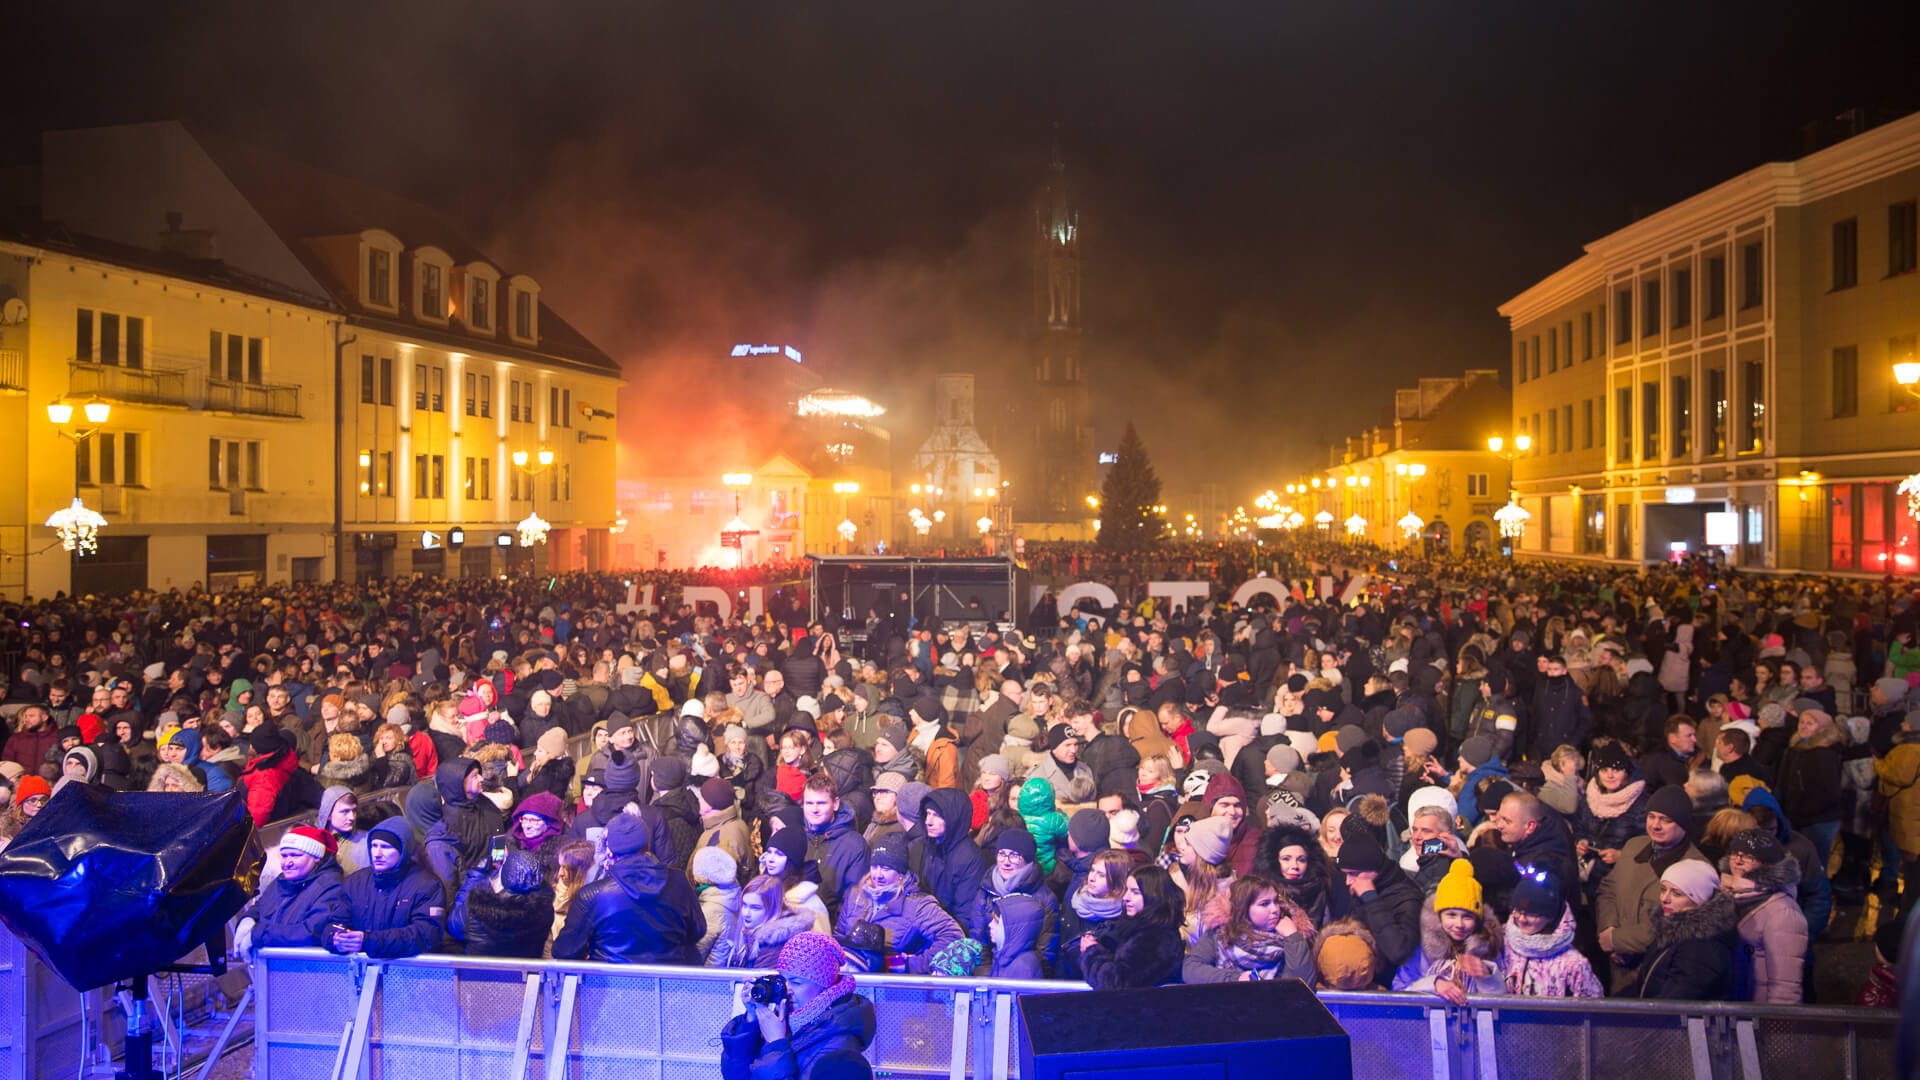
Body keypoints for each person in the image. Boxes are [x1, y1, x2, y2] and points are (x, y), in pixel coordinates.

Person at [1594, 784, 1708, 992]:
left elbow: (1678, 922)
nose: (1656, 825)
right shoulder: (1634, 846)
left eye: (1666, 820)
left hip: (1656, 973)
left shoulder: (1695, 868)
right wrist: (1608, 929)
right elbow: (1608, 889)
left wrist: (1617, 940)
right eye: (1652, 816)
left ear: (1683, 824)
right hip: (1617, 969)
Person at [551, 814, 705, 964]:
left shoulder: (592, 895)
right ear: (647, 846)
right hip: (670, 985)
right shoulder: (678, 882)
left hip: (609, 986)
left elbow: (565, 951)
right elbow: (697, 931)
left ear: (609, 851)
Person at [720, 932, 875, 1080]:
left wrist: (775, 1045)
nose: (787, 989)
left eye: (796, 982)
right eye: (783, 979)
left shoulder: (839, 1045)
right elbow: (737, 1076)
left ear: (824, 986)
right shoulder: (782, 1021)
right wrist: (750, 1021)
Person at [834, 832, 963, 974]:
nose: (878, 875)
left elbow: (953, 936)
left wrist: (911, 965)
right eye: (875, 866)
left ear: (901, 873)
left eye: (886, 869)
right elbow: (839, 935)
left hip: (890, 987)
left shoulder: (917, 905)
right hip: (850, 981)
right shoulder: (855, 895)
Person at [331, 818, 445, 958]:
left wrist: (369, 941)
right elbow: (333, 922)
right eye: (374, 845)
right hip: (357, 971)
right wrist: (335, 939)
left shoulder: (427, 885)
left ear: (403, 850)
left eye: (386, 847)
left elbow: (426, 934)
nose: (377, 854)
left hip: (406, 973)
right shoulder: (355, 882)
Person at [1392, 860, 1503, 1004]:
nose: (1459, 924)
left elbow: (1502, 1001)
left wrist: (1487, 976)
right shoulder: (1422, 948)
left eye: (1467, 917)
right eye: (1451, 915)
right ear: (1439, 916)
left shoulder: (1490, 945)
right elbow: (1400, 989)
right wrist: (1433, 984)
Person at [1625, 860, 1738, 1000]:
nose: (1664, 899)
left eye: (1676, 893)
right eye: (1663, 889)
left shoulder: (1702, 947)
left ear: (1699, 899)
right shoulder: (1671, 930)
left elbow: (1676, 1002)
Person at [1721, 828, 1808, 1004]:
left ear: (1766, 863)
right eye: (1734, 854)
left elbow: (1786, 987)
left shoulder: (1783, 913)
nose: (1738, 861)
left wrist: (1776, 1027)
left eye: (1748, 857)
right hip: (1732, 1012)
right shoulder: (1726, 895)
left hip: (1756, 1017)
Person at [234, 826, 348, 955]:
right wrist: (247, 920)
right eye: (284, 856)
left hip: (304, 968)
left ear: (316, 857)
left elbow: (310, 932)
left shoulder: (330, 886)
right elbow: (260, 907)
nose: (287, 863)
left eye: (295, 855)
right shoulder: (283, 880)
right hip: (273, 965)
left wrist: (258, 935)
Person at [1182, 873, 1314, 984]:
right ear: (1243, 908)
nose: (1275, 909)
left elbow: (1301, 987)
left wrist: (1293, 938)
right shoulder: (1221, 933)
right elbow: (1191, 969)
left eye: (1275, 901)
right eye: (1264, 904)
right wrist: (1235, 979)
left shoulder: (1290, 938)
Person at [1498, 865, 1603, 998]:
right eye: (1518, 911)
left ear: (1551, 917)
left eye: (1532, 914)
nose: (1522, 919)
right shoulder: (1501, 946)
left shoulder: (1574, 964)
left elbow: (1591, 1010)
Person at [1075, 863, 1186, 989]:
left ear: (1153, 896)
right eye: (1127, 890)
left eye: (1135, 892)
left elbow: (1114, 983)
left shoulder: (1155, 939)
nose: (1126, 897)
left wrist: (1092, 952)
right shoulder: (1134, 928)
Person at [970, 828, 1060, 975]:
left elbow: (1045, 954)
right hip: (989, 977)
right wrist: (989, 979)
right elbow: (979, 944)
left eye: (1014, 855)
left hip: (1024, 975)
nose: (1006, 862)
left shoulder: (1044, 899)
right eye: (1002, 854)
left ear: (1027, 858)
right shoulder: (986, 891)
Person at [1335, 828, 1422, 974]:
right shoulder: (1359, 889)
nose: (1348, 881)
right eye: (1345, 874)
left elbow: (1398, 952)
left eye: (1354, 874)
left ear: (1375, 869)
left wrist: (1371, 899)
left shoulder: (1408, 898)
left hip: (1395, 986)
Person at [454, 848, 556, 959]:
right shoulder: (544, 909)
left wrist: (477, 875)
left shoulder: (479, 907)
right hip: (523, 973)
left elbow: (454, 927)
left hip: (479, 973)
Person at [709, 875, 817, 969]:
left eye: (755, 908)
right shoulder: (749, 933)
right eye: (744, 905)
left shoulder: (774, 944)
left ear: (773, 909)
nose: (746, 913)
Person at [693, 846, 742, 962]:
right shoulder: (733, 894)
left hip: (711, 973)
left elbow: (698, 950)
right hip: (727, 968)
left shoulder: (712, 908)